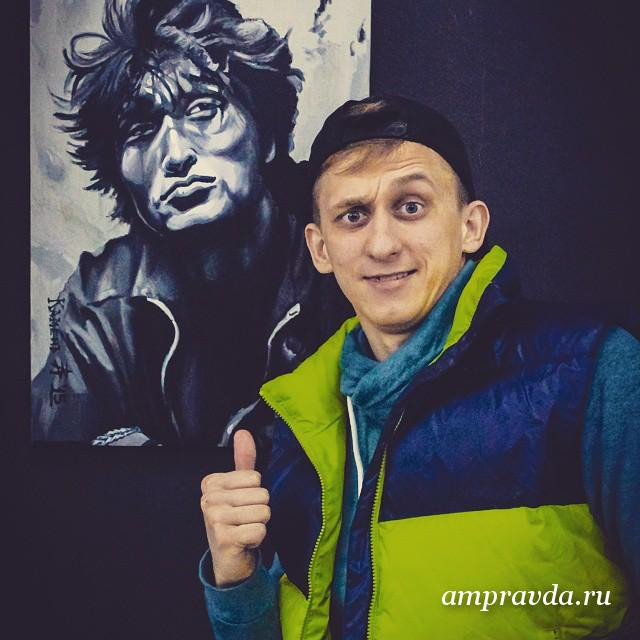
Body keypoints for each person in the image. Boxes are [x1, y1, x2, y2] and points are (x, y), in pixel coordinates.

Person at [199, 95, 640, 638]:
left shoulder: (594, 372)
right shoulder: (293, 419)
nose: (382, 244)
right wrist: (237, 581)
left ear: (470, 226)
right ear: (320, 248)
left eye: (410, 206)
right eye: (353, 215)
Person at [31, 0, 351, 446]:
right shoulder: (98, 301)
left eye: (203, 108)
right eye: (140, 130)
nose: (176, 155)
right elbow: (57, 456)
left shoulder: (344, 261)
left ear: (267, 134)